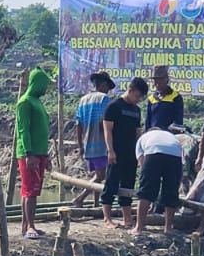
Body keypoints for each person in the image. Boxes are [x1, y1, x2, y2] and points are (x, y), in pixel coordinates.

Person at [14, 66, 54, 240]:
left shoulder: (38, 101)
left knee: (31, 191)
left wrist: (46, 155)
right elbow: (23, 130)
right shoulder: (25, 102)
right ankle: (29, 226)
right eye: (45, 85)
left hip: (40, 152)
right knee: (30, 190)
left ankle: (28, 225)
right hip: (29, 153)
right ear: (37, 84)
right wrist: (29, 153)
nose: (46, 89)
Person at [101, 77, 146, 228]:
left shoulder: (136, 110)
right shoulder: (114, 106)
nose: (138, 100)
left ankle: (127, 218)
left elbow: (138, 132)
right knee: (111, 183)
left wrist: (140, 153)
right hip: (116, 151)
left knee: (128, 184)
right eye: (137, 96)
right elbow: (107, 130)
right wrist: (110, 150)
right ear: (130, 90)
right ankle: (107, 218)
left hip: (131, 153)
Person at [72, 71, 114, 206]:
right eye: (107, 87)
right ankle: (80, 198)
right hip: (102, 144)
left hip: (88, 144)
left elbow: (78, 124)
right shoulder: (104, 99)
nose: (108, 90)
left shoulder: (83, 100)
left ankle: (96, 203)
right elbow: (104, 122)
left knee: (98, 174)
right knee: (100, 176)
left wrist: (80, 145)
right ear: (102, 85)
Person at [134, 122, 183, 237]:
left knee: (146, 191)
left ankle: (139, 228)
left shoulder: (143, 138)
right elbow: (180, 166)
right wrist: (177, 182)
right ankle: (168, 228)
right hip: (174, 155)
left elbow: (142, 164)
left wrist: (150, 193)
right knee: (171, 192)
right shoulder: (170, 137)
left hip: (153, 153)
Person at [145, 65, 184, 132]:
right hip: (153, 136)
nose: (157, 84)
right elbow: (147, 122)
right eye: (155, 81)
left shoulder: (176, 97)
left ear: (167, 80)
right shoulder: (151, 99)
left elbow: (178, 122)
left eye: (160, 81)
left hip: (169, 137)